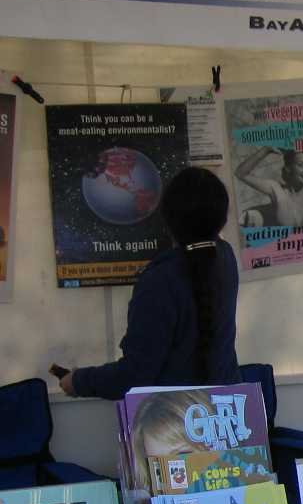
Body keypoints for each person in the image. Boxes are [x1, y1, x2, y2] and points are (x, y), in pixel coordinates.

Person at [61, 167, 239, 401]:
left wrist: (78, 381)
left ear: (167, 219)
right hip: (230, 413)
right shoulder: (226, 258)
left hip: (174, 418)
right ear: (223, 218)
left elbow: (134, 376)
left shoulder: (160, 280)